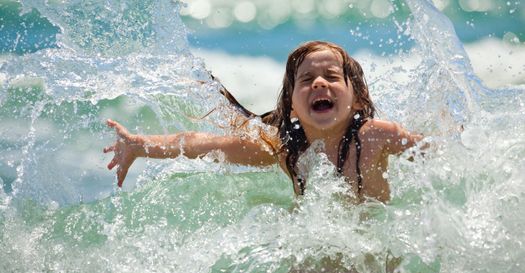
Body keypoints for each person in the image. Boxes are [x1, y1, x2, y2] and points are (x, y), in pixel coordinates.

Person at [104, 41, 424, 202]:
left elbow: (437, 154)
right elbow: (206, 144)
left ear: (356, 101)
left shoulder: (376, 138)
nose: (319, 84)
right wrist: (139, 145)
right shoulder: (286, 150)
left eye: (331, 76)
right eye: (307, 79)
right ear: (293, 107)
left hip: (375, 257)